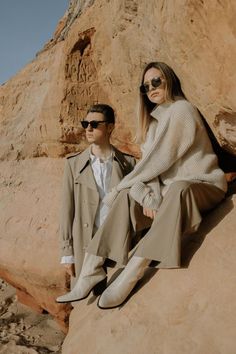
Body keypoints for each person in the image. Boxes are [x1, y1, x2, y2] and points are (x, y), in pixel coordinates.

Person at [57, 62, 228, 308]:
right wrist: (149, 196)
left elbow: (158, 161)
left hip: (202, 185)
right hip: (171, 193)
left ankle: (134, 271)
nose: (151, 89)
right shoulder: (154, 123)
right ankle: (92, 270)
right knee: (130, 195)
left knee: (171, 187)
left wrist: (123, 188)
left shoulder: (182, 110)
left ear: (169, 79)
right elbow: (151, 171)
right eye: (145, 86)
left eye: (156, 81)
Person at [57, 103, 140, 301]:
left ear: (110, 127)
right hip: (85, 244)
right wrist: (67, 253)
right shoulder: (73, 164)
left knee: (114, 300)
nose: (88, 128)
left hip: (118, 245)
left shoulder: (129, 163)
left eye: (94, 124)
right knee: (85, 302)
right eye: (86, 123)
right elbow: (66, 210)